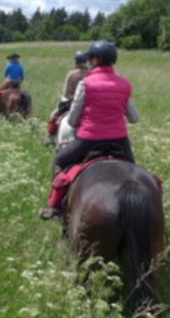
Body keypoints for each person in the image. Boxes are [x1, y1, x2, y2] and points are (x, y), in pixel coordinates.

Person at [39, 41, 139, 220]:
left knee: (60, 160)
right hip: (120, 140)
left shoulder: (86, 84)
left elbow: (72, 119)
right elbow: (134, 118)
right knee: (136, 172)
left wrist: (80, 122)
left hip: (89, 139)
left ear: (97, 59)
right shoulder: (125, 84)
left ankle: (54, 207)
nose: (90, 61)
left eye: (91, 58)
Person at [45, 51, 89, 146]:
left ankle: (50, 137)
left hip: (72, 103)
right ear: (86, 61)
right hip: (89, 103)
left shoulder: (71, 74)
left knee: (54, 115)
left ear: (76, 61)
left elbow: (66, 93)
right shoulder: (91, 73)